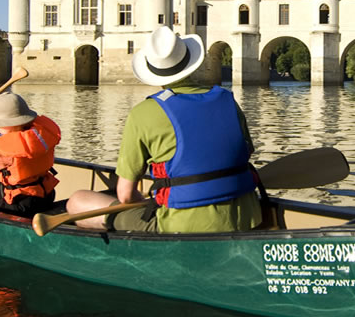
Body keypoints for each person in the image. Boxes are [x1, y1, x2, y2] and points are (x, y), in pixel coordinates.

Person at [65, 26, 262, 233]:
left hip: (181, 224)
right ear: (190, 63)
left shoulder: (143, 113)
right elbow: (244, 154)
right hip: (247, 216)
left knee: (77, 202)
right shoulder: (227, 100)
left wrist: (144, 200)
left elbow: (125, 195)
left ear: (152, 71)